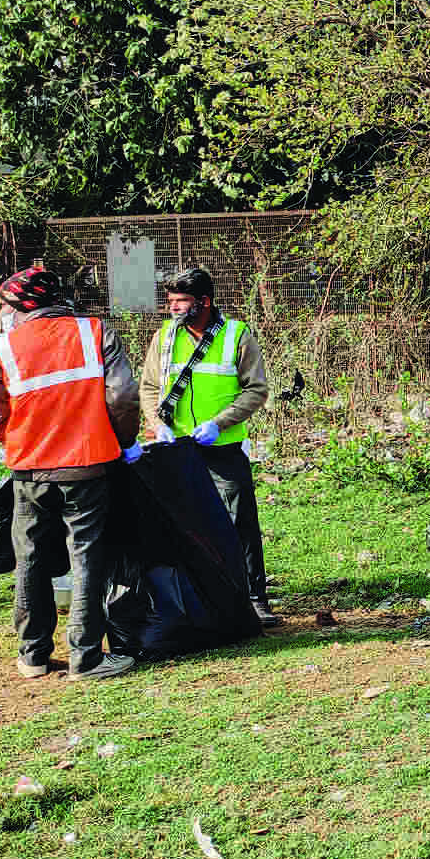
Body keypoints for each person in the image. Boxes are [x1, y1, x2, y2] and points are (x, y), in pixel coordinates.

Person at [0, 266, 140, 682]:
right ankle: (85, 658)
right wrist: (125, 441)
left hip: (28, 468)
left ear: (21, 306)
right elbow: (122, 395)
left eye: (5, 305)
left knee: (30, 556)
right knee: (86, 554)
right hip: (87, 465)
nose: (2, 312)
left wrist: (18, 442)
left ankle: (32, 655)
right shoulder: (93, 332)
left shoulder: (2, 347)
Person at [139, 266, 277, 628]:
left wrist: (220, 423)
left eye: (181, 301)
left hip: (223, 446)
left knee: (238, 522)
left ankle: (253, 598)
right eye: (170, 301)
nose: (173, 308)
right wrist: (157, 423)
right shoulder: (165, 337)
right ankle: (201, 598)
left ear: (204, 301)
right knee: (181, 525)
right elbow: (150, 387)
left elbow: (256, 389)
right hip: (176, 449)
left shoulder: (236, 335)